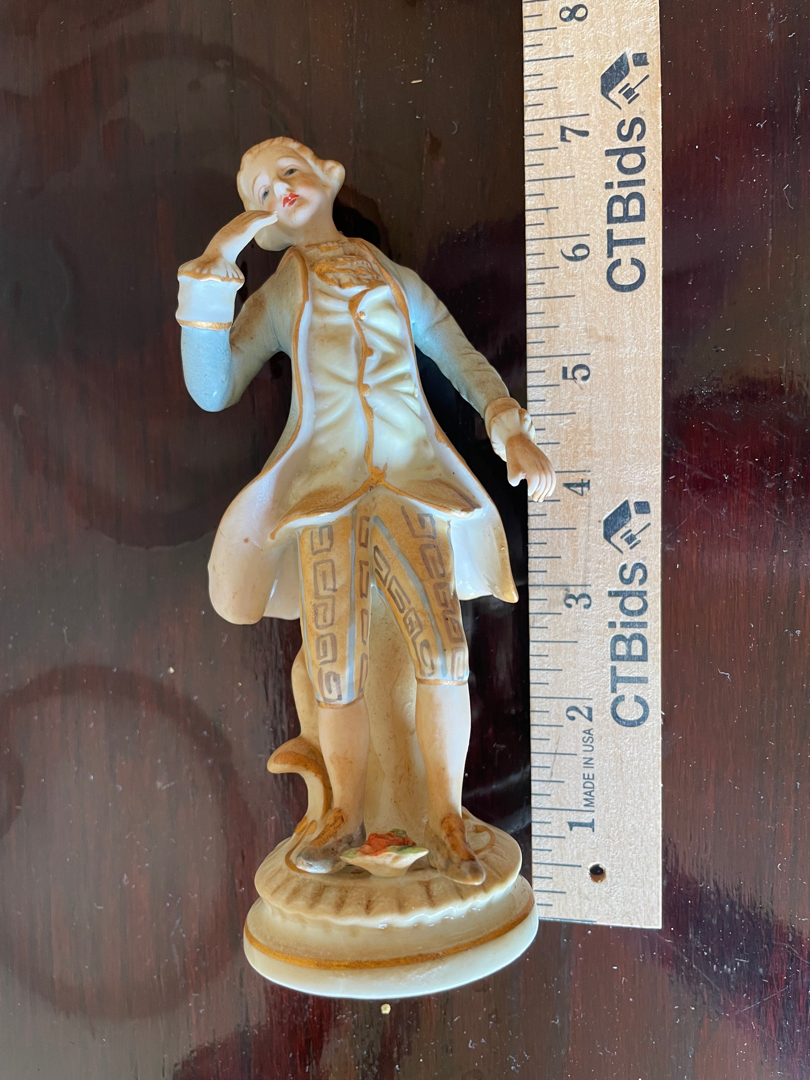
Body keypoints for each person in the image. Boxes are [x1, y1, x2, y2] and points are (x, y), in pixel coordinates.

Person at [177, 137, 555, 885]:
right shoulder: (281, 293)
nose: (280, 189)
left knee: (444, 651)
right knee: (334, 660)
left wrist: (508, 426)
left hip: (413, 484)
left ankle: (447, 815)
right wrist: (216, 268)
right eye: (260, 191)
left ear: (330, 177)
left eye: (290, 171)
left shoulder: (395, 278)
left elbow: (458, 355)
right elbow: (212, 389)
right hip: (326, 497)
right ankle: (344, 811)